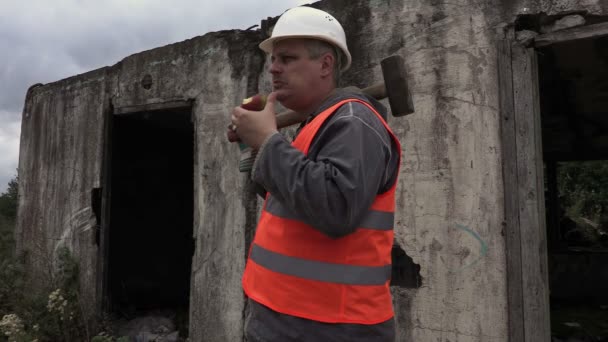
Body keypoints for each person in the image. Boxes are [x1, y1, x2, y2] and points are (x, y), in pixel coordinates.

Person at [230, 6, 402, 342]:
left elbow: (335, 208)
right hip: (285, 319)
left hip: (331, 326)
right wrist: (257, 150)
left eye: (288, 58)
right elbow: (290, 203)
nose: (274, 70)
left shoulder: (353, 122)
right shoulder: (317, 123)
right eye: (273, 60)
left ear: (325, 64)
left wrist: (268, 141)